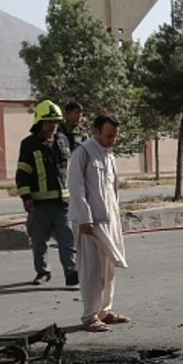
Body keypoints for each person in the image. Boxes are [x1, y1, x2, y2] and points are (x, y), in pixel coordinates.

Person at [68, 114, 129, 332]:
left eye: (115, 136)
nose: (112, 140)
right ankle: (90, 315)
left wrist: (115, 219)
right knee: (91, 269)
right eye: (108, 135)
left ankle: (105, 311)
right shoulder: (83, 152)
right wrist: (84, 217)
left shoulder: (109, 155)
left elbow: (113, 191)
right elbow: (75, 186)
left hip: (108, 220)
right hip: (89, 222)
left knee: (109, 268)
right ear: (96, 132)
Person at [16, 100, 78, 286]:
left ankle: (71, 273)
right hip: (39, 204)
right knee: (39, 242)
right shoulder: (29, 144)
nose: (53, 125)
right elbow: (22, 172)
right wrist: (26, 197)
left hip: (63, 203)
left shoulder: (63, 140)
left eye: (56, 121)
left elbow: (70, 169)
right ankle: (42, 272)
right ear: (39, 122)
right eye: (49, 121)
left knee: (67, 240)